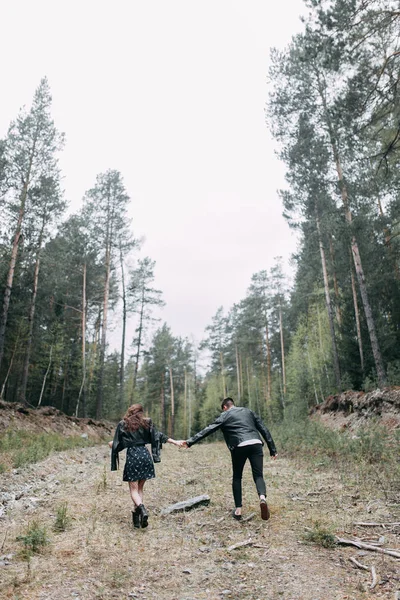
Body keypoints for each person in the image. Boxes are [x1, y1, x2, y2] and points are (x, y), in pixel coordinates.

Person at [183, 397, 277, 521]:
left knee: (237, 477)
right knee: (258, 475)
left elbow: (209, 429)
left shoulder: (225, 415)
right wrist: (272, 449)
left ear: (225, 407)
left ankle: (238, 510)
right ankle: (262, 499)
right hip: (255, 443)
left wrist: (190, 442)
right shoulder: (248, 411)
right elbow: (263, 429)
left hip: (239, 445)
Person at [110, 403, 181, 528]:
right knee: (140, 489)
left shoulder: (123, 424)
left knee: (133, 489)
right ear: (141, 413)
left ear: (130, 412)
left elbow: (118, 443)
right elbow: (158, 435)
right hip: (145, 456)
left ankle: (142, 509)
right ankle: (137, 520)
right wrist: (174, 441)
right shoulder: (146, 423)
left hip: (133, 457)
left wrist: (112, 444)